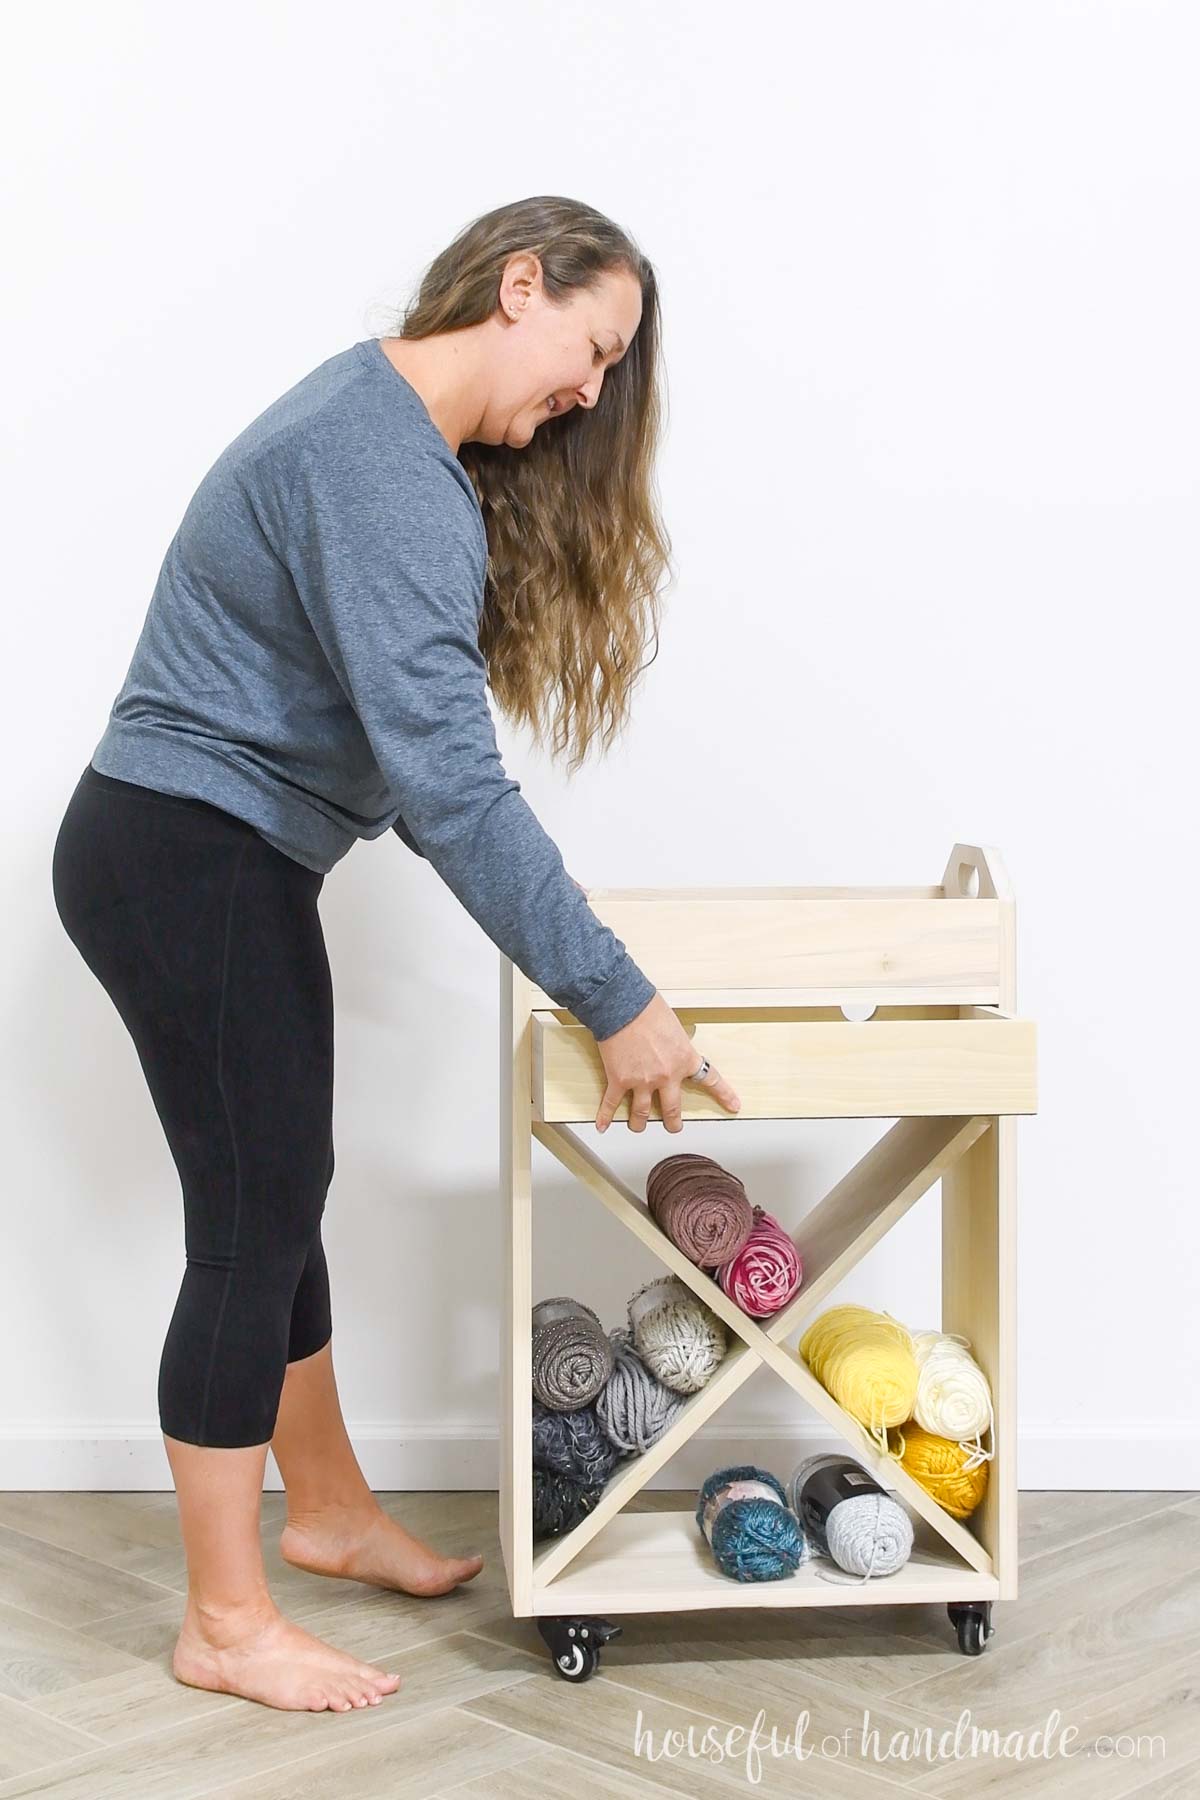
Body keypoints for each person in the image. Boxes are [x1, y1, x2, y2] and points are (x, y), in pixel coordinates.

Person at [51, 194, 741, 1717]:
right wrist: (616, 997)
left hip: (201, 853)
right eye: (594, 346)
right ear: (519, 285)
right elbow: (447, 787)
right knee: (251, 1218)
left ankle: (333, 1513)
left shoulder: (385, 433)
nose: (593, 392)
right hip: (184, 851)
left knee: (273, 1189)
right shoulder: (378, 462)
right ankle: (224, 1624)